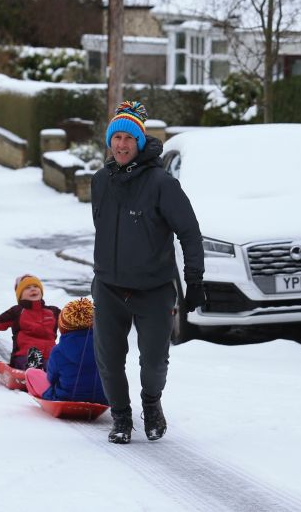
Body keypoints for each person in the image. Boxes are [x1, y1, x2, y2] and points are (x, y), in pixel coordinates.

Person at [90, 100, 205, 444]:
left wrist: (194, 280)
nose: (122, 144)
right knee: (109, 361)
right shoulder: (100, 181)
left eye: (129, 138)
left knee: (153, 363)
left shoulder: (161, 184)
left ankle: (151, 404)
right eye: (117, 137)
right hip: (109, 287)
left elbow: (189, 232)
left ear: (139, 142)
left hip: (154, 289)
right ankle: (121, 417)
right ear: (110, 142)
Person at [25, 297, 107, 404]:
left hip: (66, 397)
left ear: (63, 327)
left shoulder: (58, 350)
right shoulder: (106, 346)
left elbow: (51, 379)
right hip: (102, 398)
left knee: (31, 373)